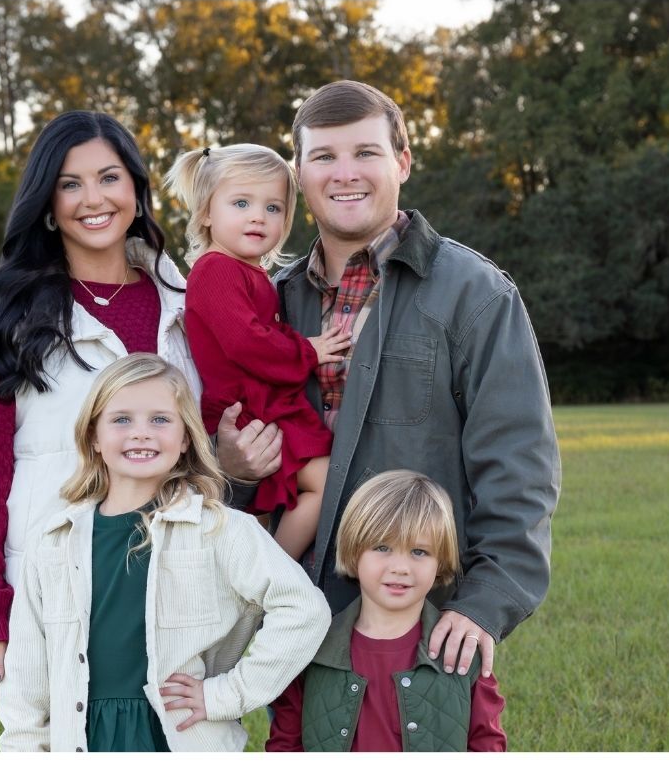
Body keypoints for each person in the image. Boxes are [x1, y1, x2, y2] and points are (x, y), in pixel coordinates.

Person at [218, 80, 561, 680]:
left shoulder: (475, 294)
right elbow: (232, 465)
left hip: (424, 623)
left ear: (402, 161)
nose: (344, 173)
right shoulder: (265, 305)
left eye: (366, 153)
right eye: (324, 156)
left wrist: (486, 602)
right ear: (299, 174)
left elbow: (519, 464)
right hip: (302, 625)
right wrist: (235, 472)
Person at [0, 111, 204, 699]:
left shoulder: (186, 307)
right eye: (69, 183)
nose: (93, 199)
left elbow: (204, 444)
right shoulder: (6, 315)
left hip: (180, 592)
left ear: (136, 187)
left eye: (109, 177)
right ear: (48, 202)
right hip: (53, 593)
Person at [0, 353, 331, 751]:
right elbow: (27, 672)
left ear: (186, 437)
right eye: (121, 419)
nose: (141, 433)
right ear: (93, 438)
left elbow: (304, 610)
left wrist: (226, 693)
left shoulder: (220, 528)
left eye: (160, 419)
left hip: (181, 735)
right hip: (82, 737)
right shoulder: (52, 540)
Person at [165, 144, 351, 559]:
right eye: (242, 203)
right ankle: (277, 579)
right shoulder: (214, 270)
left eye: (273, 208)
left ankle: (256, 579)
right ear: (207, 213)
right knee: (324, 480)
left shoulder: (247, 271)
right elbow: (246, 341)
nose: (258, 216)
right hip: (248, 411)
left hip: (264, 405)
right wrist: (307, 351)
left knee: (263, 509)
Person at [266, 470, 506, 752]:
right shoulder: (312, 650)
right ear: (355, 553)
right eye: (382, 547)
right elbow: (285, 746)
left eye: (419, 551)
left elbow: (488, 746)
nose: (400, 567)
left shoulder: (462, 651)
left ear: (440, 561)